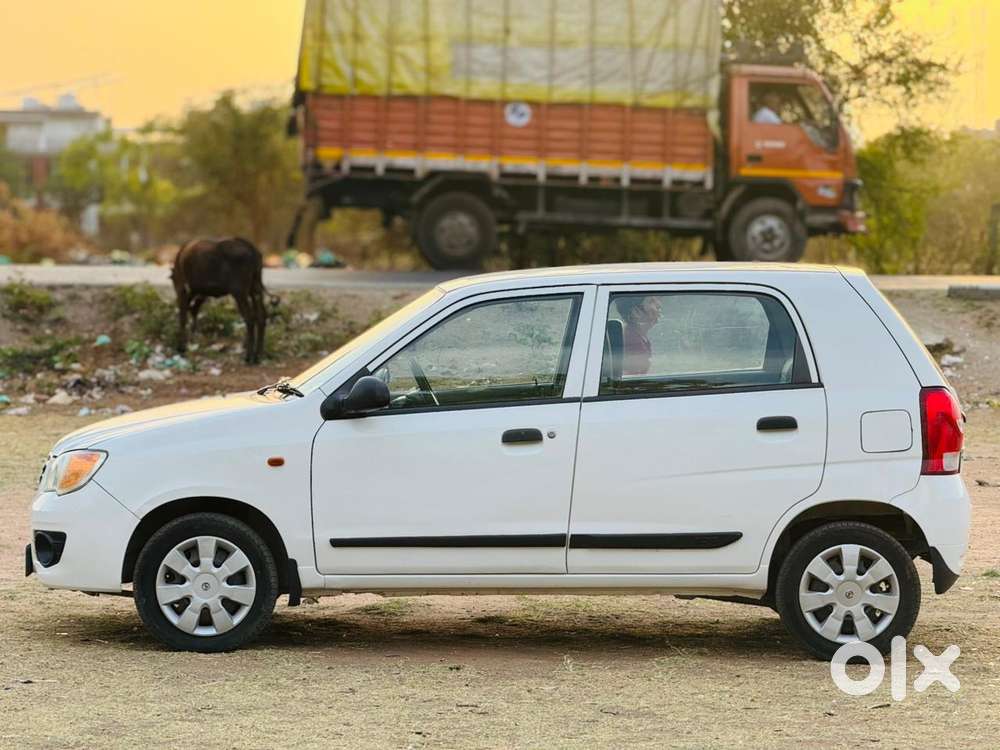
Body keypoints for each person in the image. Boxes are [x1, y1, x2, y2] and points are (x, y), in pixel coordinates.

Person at [617, 295, 662, 376]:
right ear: (636, 312)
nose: (659, 304)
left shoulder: (634, 334)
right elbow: (633, 381)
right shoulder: (633, 343)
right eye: (651, 301)